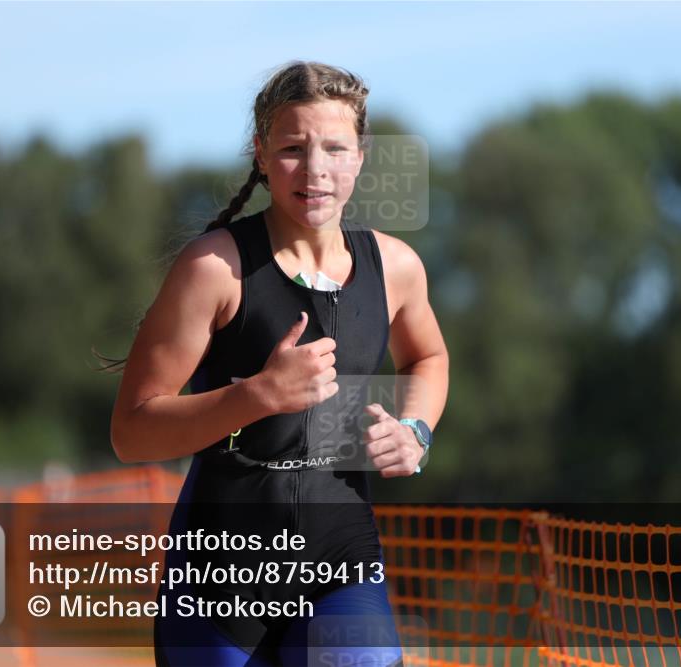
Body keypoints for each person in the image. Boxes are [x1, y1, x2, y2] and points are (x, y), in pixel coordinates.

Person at [109, 60, 449, 666]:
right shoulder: (214, 269)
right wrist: (259, 395)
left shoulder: (395, 267)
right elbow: (132, 431)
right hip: (217, 578)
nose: (315, 169)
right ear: (261, 155)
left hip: (340, 562)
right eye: (293, 148)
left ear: (360, 157)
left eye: (335, 148)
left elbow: (428, 356)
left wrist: (416, 430)